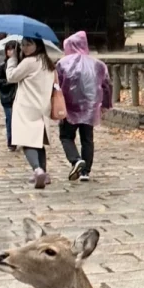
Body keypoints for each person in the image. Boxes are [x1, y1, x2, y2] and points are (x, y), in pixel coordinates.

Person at [56, 31, 112, 182]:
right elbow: (106, 85)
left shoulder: (62, 63)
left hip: (70, 106)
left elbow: (57, 85)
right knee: (87, 138)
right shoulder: (98, 65)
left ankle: (75, 160)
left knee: (66, 136)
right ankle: (85, 171)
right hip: (90, 106)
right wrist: (106, 104)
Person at [6, 37, 56, 187]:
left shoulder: (29, 62)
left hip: (27, 106)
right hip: (42, 105)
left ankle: (37, 169)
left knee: (26, 140)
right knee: (38, 141)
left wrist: (12, 59)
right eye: (22, 45)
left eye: (29, 44)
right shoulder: (47, 62)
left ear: (37, 45)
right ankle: (44, 174)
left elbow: (11, 77)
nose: (24, 48)